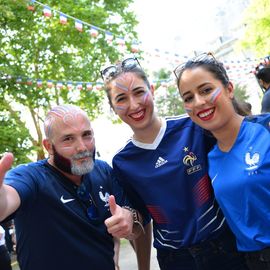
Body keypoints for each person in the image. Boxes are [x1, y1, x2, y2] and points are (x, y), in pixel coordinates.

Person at [101, 57, 248, 270]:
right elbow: (140, 220)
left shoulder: (195, 127)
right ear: (113, 107)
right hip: (175, 260)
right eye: (121, 98)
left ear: (151, 90)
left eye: (139, 92)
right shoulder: (122, 161)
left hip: (226, 248)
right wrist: (129, 219)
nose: (133, 105)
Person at [0, 104, 144, 270]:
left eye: (86, 135)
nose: (82, 147)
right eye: (68, 139)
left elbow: (139, 225)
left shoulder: (104, 171)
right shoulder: (32, 177)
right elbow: (8, 199)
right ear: (48, 146)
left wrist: (129, 217)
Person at [174, 52, 270, 270]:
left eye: (206, 90)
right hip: (250, 261)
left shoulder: (265, 130)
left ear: (228, 89)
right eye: (188, 97)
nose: (198, 102)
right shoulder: (209, 158)